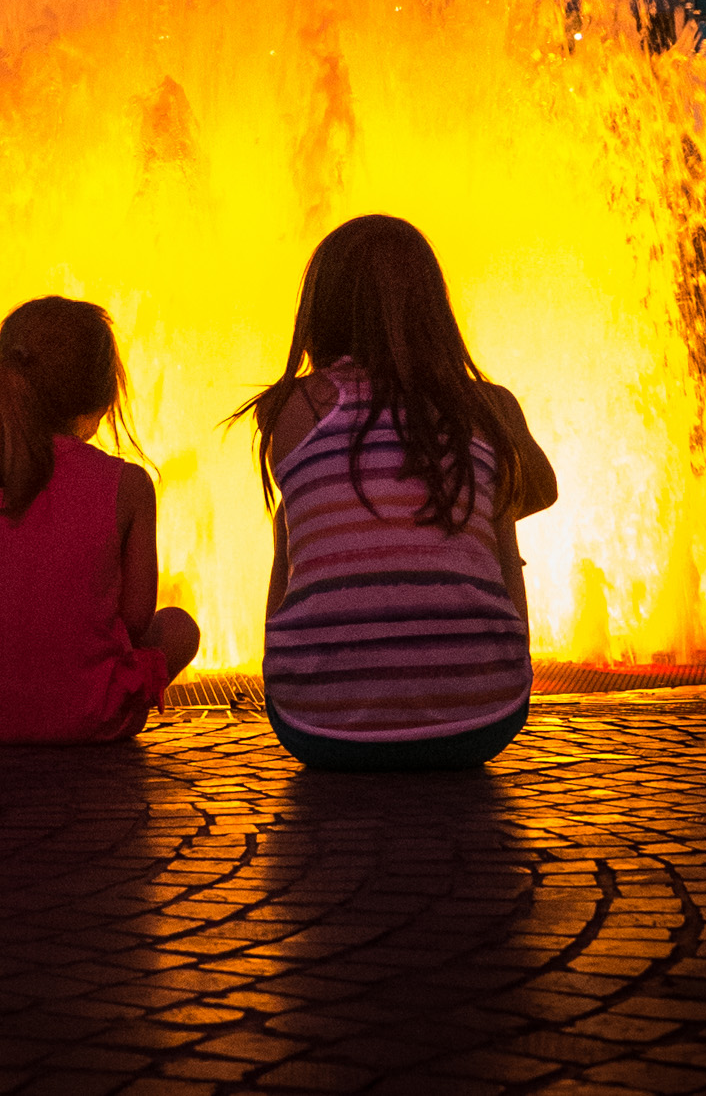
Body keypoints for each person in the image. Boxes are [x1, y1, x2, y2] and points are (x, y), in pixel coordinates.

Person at [236, 214, 558, 774]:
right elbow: (543, 491)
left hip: (316, 725)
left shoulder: (287, 408)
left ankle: (291, 662)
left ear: (319, 311)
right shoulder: (488, 407)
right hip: (484, 719)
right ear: (434, 310)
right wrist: (463, 508)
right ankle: (490, 655)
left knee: (290, 514)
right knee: (495, 497)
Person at [0, 296, 200, 743]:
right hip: (91, 717)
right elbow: (134, 618)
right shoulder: (128, 484)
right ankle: (89, 703)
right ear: (103, 394)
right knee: (180, 628)